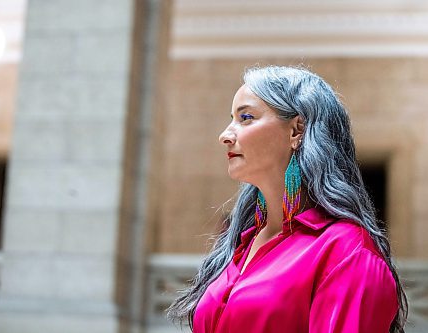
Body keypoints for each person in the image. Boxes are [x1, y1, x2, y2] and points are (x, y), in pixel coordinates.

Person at [167, 65, 408, 332]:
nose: (225, 135)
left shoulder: (347, 251)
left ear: (296, 130)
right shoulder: (241, 244)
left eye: (245, 117)